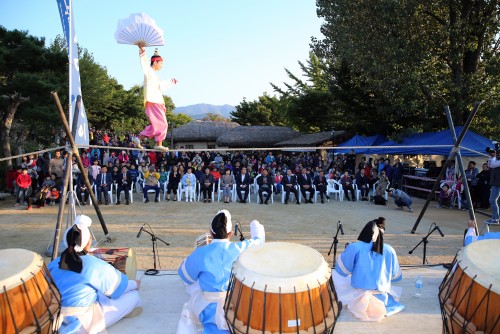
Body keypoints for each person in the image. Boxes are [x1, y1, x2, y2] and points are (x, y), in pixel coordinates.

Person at [48, 215, 142, 333]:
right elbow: (117, 290)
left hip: (55, 317)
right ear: (88, 242)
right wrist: (135, 284)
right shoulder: (93, 264)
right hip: (82, 322)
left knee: (96, 291)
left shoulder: (53, 263)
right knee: (134, 296)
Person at [177, 210, 265, 333]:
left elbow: (185, 277)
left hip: (207, 310)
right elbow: (259, 242)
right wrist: (255, 225)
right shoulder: (241, 248)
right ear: (231, 234)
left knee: (191, 291)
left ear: (210, 233)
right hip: (237, 308)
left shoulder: (201, 253)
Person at [333, 217, 404, 321]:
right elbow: (396, 277)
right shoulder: (390, 249)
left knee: (335, 275)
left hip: (357, 296)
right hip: (383, 298)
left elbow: (342, 271)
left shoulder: (354, 247)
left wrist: (348, 252)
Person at [132, 46, 177, 152]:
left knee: (155, 125)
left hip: (156, 101)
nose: (161, 66)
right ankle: (159, 143)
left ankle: (139, 138)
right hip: (154, 101)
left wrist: (171, 82)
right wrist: (142, 52)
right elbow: (144, 64)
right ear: (155, 62)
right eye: (161, 63)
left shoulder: (154, 76)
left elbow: (160, 85)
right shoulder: (149, 72)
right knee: (163, 124)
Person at [487, 148, 500, 224]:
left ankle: (495, 219)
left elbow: (492, 165)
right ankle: (495, 218)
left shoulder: (497, 161)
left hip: (498, 184)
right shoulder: (496, 160)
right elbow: (489, 164)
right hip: (496, 183)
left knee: (492, 200)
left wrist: (494, 156)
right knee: (496, 201)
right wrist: (491, 156)